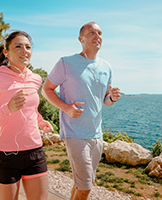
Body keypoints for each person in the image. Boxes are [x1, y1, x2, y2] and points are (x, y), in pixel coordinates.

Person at [42, 22, 121, 200]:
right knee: (85, 188)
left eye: (100, 33)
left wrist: (113, 98)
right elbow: (46, 89)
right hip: (75, 133)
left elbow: (105, 101)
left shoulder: (106, 67)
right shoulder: (66, 62)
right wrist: (66, 108)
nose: (97, 36)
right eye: (91, 33)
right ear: (81, 39)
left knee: (82, 184)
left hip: (97, 135)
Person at [0, 31, 53, 200]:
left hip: (35, 153)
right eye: (18, 47)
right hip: (7, 156)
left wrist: (41, 122)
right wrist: (8, 108)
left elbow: (31, 110)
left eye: (27, 47)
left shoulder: (35, 79)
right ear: (6, 52)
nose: (24, 51)